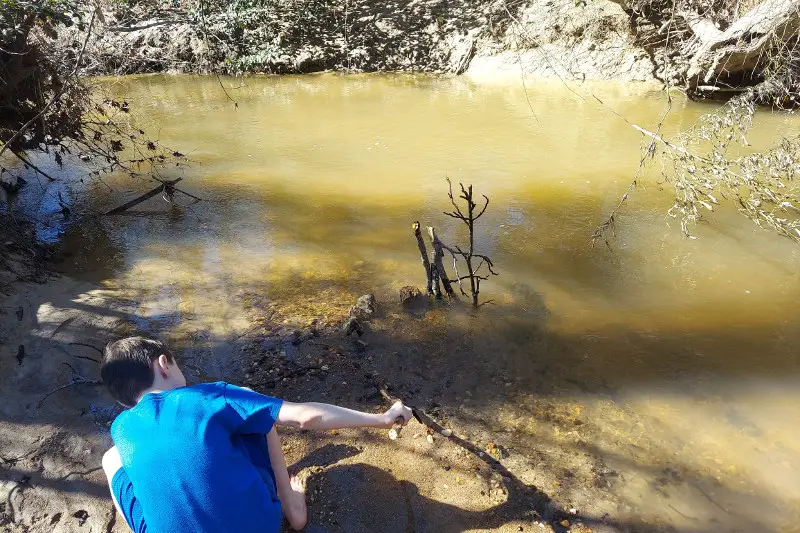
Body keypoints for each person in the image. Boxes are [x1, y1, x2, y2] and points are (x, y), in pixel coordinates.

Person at [99, 336, 412, 532]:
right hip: (258, 526)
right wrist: (383, 419)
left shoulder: (121, 427)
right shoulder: (208, 397)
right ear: (164, 364)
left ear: (123, 400)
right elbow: (306, 417)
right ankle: (291, 505)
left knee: (112, 458)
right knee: (253, 408)